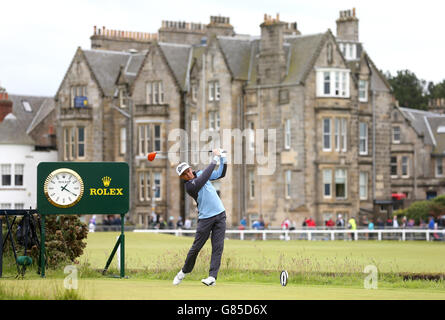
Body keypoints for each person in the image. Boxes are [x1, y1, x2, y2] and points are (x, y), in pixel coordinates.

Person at [173, 149, 227, 287]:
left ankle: (212, 277)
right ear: (182, 177)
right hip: (205, 219)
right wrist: (215, 157)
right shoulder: (189, 186)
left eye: (187, 171)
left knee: (218, 247)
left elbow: (221, 173)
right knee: (196, 247)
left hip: (220, 214)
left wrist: (223, 158)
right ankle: (184, 272)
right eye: (184, 174)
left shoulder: (202, 173)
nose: (187, 174)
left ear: (190, 169)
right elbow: (203, 179)